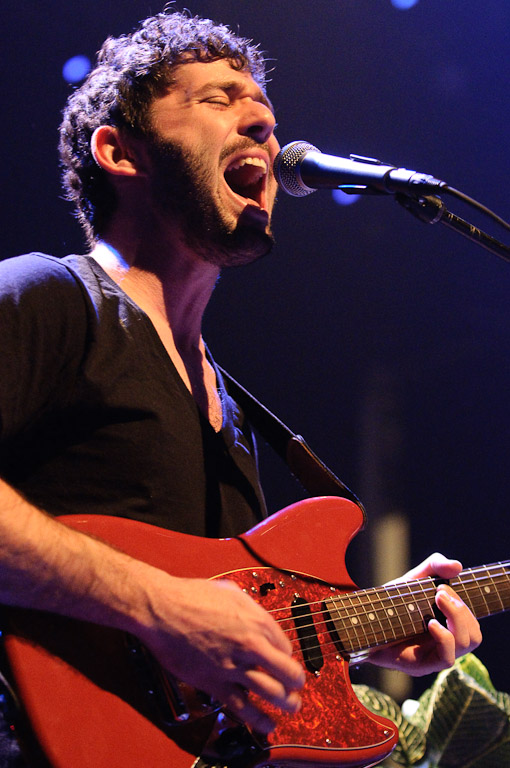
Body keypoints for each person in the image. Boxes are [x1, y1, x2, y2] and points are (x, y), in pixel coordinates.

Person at [0, 10, 481, 766]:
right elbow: (173, 616)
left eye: (263, 107)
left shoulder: (232, 404)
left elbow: (191, 658)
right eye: (218, 98)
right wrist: (161, 606)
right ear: (119, 151)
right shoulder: (51, 297)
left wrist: (345, 633)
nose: (261, 119)